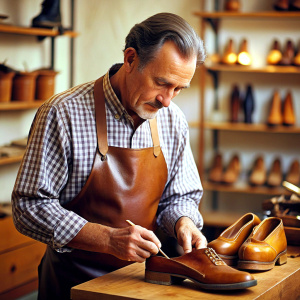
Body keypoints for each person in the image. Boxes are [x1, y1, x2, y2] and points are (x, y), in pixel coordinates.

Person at [12, 12, 207, 299]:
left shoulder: (173, 120)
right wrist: (106, 239)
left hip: (144, 283)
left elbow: (180, 197)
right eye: (162, 83)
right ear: (130, 59)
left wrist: (184, 222)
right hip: (72, 284)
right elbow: (28, 206)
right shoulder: (62, 113)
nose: (167, 101)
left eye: (178, 89)